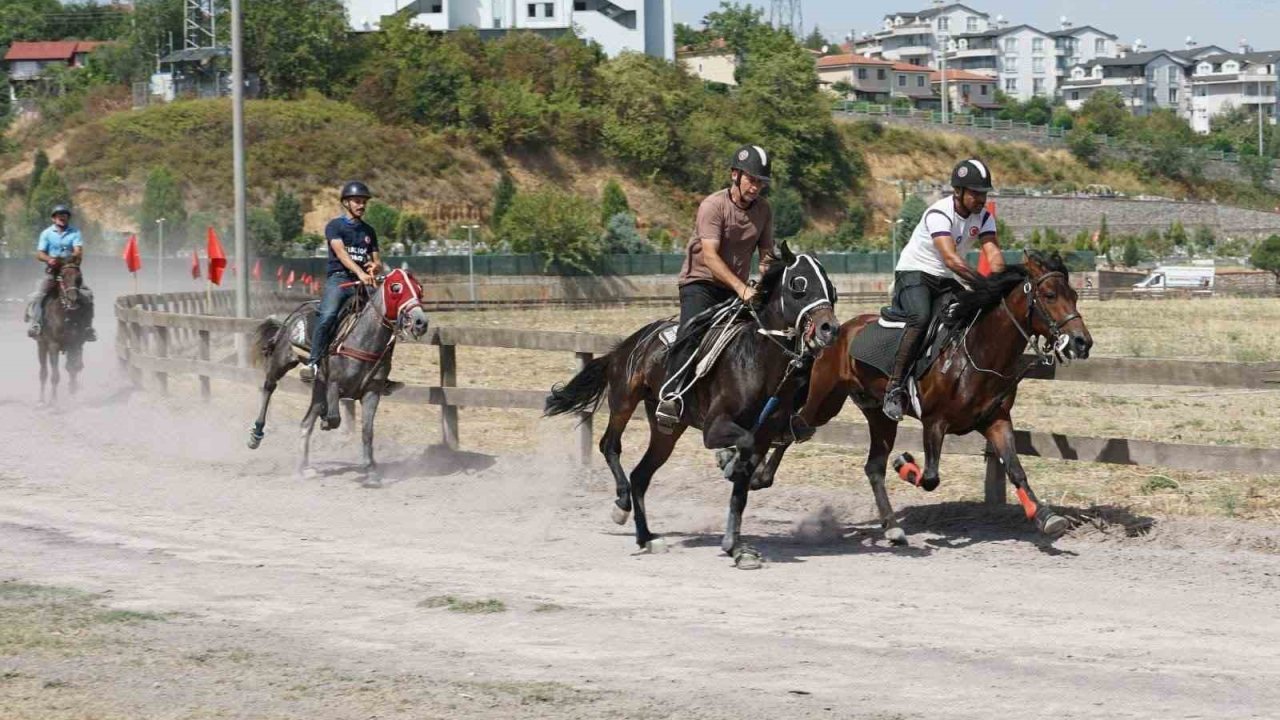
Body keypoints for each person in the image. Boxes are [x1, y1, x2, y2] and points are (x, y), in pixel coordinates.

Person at [654, 145, 775, 430]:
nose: (756, 187)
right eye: (751, 179)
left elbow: (766, 253)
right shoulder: (713, 206)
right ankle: (671, 397)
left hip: (737, 289)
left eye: (761, 182)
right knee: (691, 334)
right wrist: (742, 288)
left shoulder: (764, 211)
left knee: (764, 336)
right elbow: (710, 257)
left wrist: (767, 273)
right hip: (701, 284)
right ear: (735, 175)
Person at [883, 158, 1005, 421]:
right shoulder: (939, 213)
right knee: (921, 318)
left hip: (943, 278)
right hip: (914, 273)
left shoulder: (984, 217)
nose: (981, 199)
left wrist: (1001, 281)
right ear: (958, 192)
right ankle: (894, 387)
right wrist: (982, 285)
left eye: (984, 193)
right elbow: (951, 259)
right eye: (975, 193)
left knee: (969, 314)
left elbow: (993, 254)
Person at [301, 181, 381, 382]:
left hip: (362, 283)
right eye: (357, 201)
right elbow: (342, 254)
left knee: (382, 317)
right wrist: (360, 273)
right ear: (346, 203)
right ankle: (313, 362)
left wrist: (374, 267)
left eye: (363, 202)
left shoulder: (369, 231)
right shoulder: (334, 226)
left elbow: (376, 259)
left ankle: (380, 369)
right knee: (327, 316)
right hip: (340, 280)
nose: (361, 205)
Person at [29, 204, 96, 341]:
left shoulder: (75, 232)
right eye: (59, 215)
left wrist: (74, 255)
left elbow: (78, 250)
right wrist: (49, 259)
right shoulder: (46, 233)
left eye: (65, 215)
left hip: (70, 270)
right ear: (54, 218)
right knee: (38, 295)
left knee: (87, 296)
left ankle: (88, 328)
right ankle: (36, 324)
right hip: (53, 272)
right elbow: (40, 254)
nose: (62, 217)